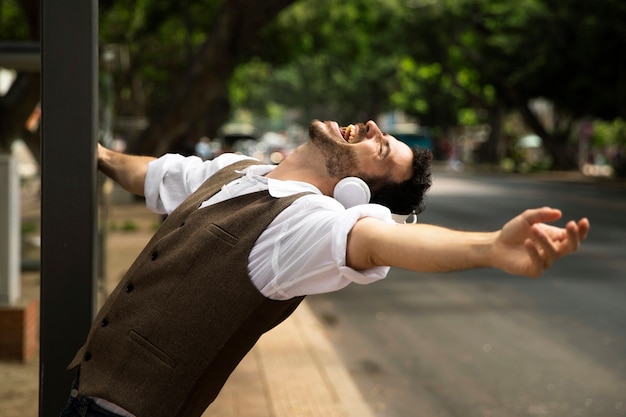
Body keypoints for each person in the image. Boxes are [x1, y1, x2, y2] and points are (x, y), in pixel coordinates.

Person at [60, 119, 590, 417]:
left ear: (357, 191)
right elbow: (146, 174)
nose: (374, 126)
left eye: (382, 146)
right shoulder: (236, 171)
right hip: (82, 389)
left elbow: (379, 242)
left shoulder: (303, 227)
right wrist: (92, 150)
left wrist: (489, 247)